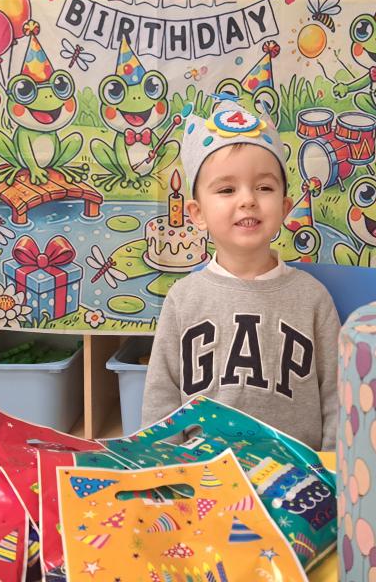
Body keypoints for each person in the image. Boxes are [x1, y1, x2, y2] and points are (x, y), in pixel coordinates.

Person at [140, 102, 340, 451]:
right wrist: (163, 466)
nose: (248, 200)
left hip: (297, 471)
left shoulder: (313, 299)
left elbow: (338, 397)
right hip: (204, 470)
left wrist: (335, 468)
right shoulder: (183, 299)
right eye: (227, 190)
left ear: (285, 208)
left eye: (264, 188)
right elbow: (162, 398)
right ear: (197, 214)